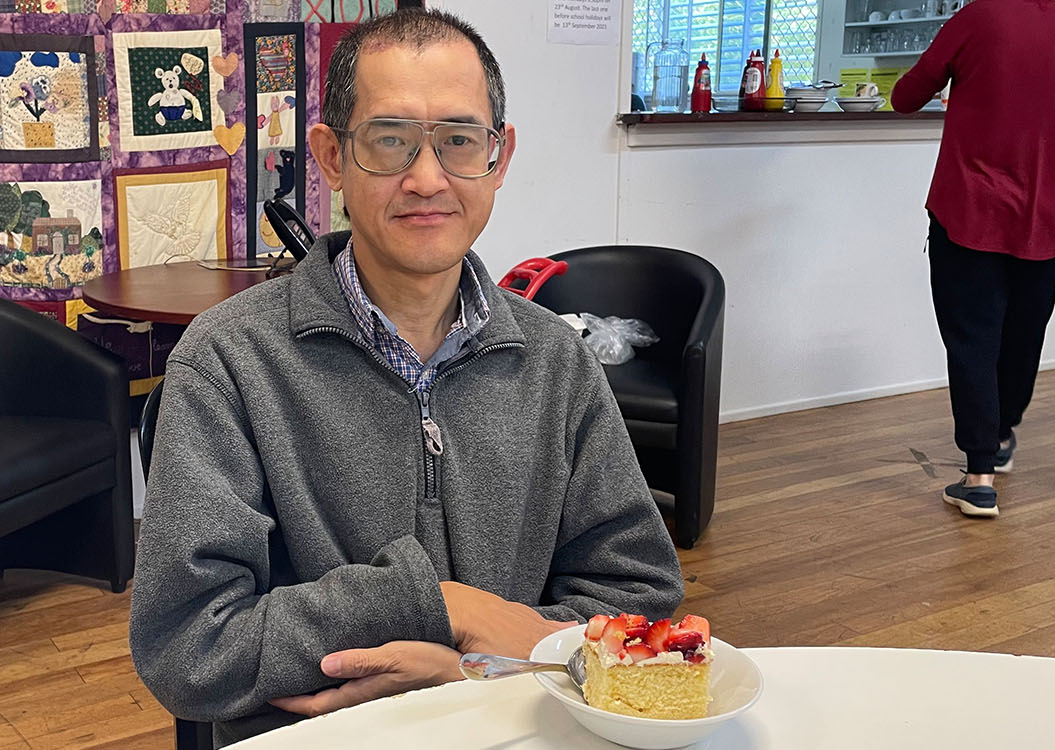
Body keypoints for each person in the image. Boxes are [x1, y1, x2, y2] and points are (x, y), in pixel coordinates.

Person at [129, 9, 684, 745]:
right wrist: (438, 605)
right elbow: (188, 646)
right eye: (390, 141)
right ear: (331, 157)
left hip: (515, 723)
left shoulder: (555, 359)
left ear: (499, 155)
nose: (427, 179)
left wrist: (474, 668)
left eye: (458, 141)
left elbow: (640, 601)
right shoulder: (228, 361)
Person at [892, 0, 1055, 519]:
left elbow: (905, 97)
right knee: (1026, 327)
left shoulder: (979, 16)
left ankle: (979, 475)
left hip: (971, 207)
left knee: (972, 337)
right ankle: (1001, 431)